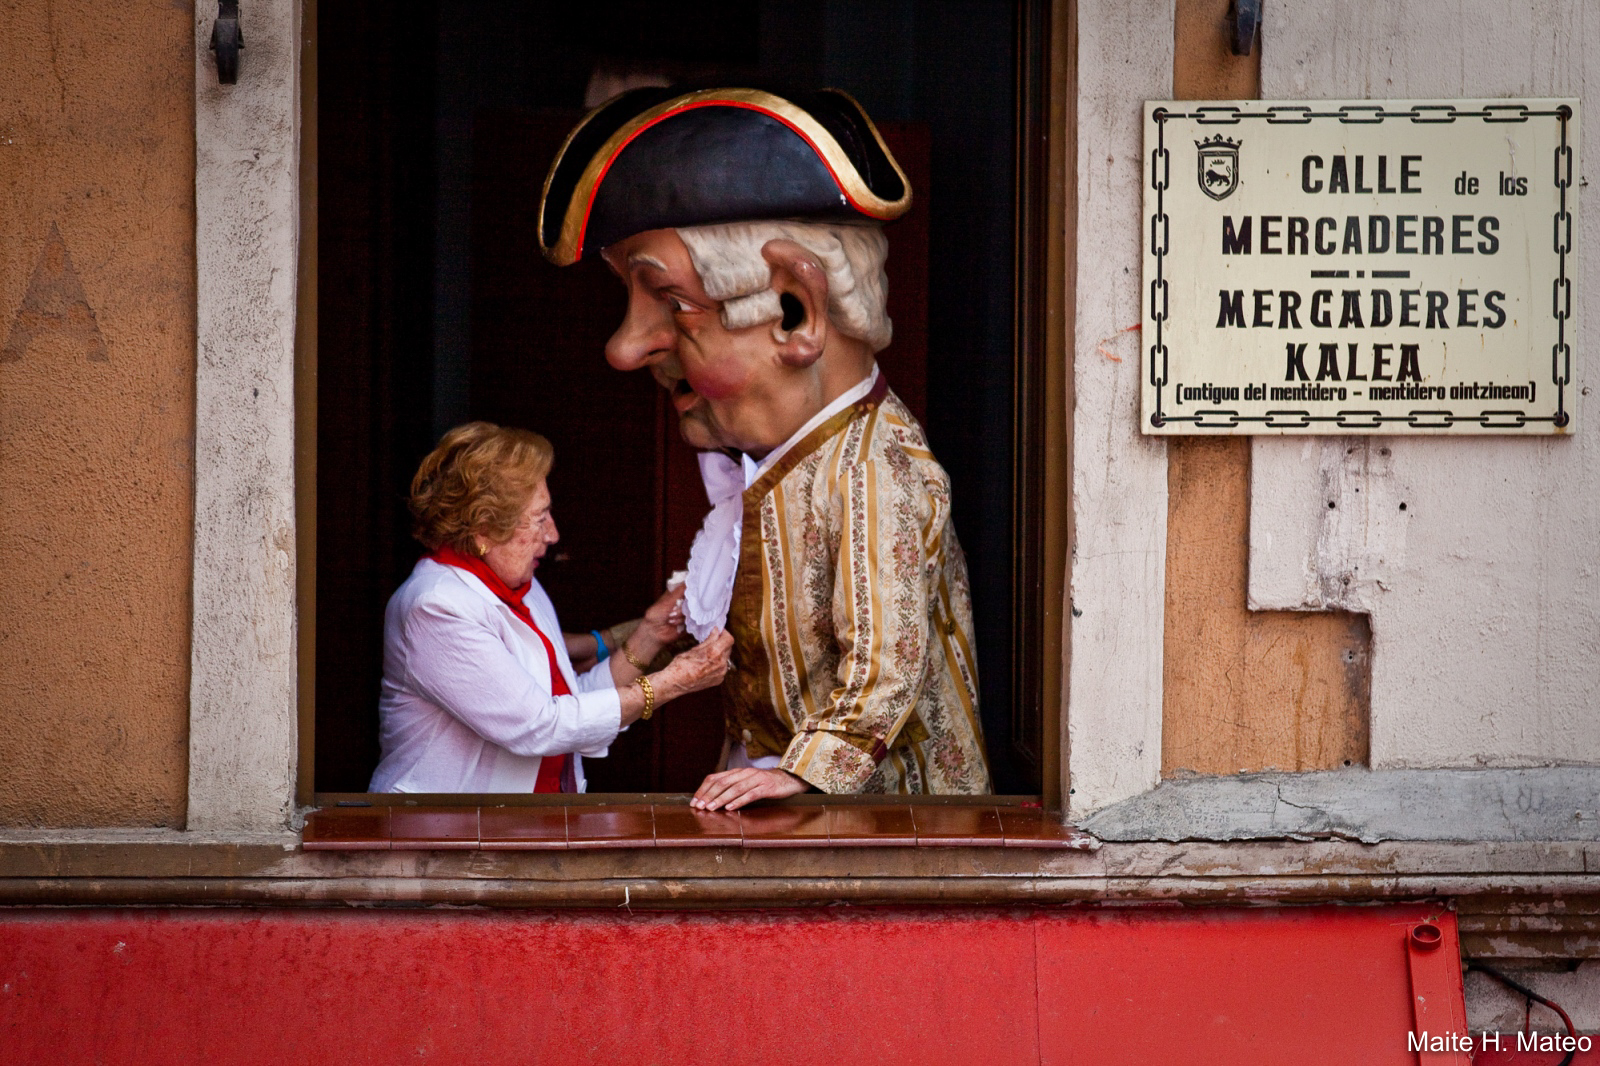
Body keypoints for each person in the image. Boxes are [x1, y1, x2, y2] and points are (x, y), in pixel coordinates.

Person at [538, 87, 992, 808]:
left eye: (671, 304)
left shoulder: (874, 466)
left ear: (795, 309)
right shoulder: (781, 468)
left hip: (881, 832)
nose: (627, 347)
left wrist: (801, 768)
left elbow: (886, 659)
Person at [369, 421, 732, 793]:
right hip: (443, 838)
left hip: (522, 825)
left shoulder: (521, 586)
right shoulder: (435, 607)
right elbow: (541, 725)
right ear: (483, 529)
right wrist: (668, 684)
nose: (553, 534)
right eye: (540, 518)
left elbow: (569, 702)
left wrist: (650, 636)